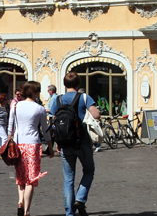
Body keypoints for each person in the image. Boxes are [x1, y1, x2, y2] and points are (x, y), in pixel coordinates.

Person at [57, 71, 101, 216]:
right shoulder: (83, 97)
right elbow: (96, 115)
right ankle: (80, 199)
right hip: (81, 142)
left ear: (64, 84)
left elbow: (53, 118)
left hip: (64, 142)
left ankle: (69, 213)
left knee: (68, 178)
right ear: (78, 84)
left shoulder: (57, 99)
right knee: (89, 171)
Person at [12, 81, 50, 216]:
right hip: (33, 144)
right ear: (34, 93)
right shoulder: (39, 108)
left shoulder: (16, 106)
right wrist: (50, 147)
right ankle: (27, 211)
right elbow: (45, 130)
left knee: (21, 176)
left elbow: (11, 126)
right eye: (38, 91)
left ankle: (20, 201)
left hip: (18, 144)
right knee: (31, 179)